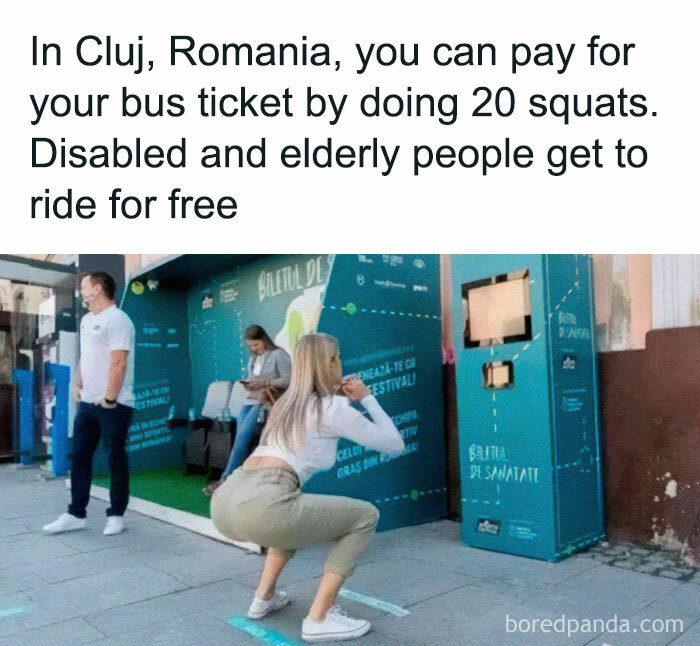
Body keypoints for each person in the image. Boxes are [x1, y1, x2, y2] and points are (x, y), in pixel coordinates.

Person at [210, 333, 405, 642]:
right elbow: (395, 444)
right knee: (365, 516)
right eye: (337, 357)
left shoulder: (286, 403)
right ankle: (319, 617)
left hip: (226, 502)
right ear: (330, 363)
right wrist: (366, 398)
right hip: (263, 504)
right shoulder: (332, 408)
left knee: (289, 517)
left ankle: (262, 599)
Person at [43, 272, 135, 537]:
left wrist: (109, 397)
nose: (81, 291)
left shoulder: (118, 319)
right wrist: (76, 384)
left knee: (115, 458)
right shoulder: (85, 320)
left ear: (97, 289)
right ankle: (75, 514)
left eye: (84, 286)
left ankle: (116, 515)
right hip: (87, 403)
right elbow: (85, 356)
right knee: (80, 457)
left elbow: (119, 361)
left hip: (114, 404)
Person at [203, 324, 291, 495]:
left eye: (256, 344)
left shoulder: (279, 355)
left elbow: (288, 380)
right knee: (239, 441)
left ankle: (225, 480)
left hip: (266, 403)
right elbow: (253, 380)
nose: (253, 348)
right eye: (250, 345)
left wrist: (266, 382)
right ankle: (236, 479)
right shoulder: (253, 358)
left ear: (264, 340)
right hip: (250, 400)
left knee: (242, 439)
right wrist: (250, 384)